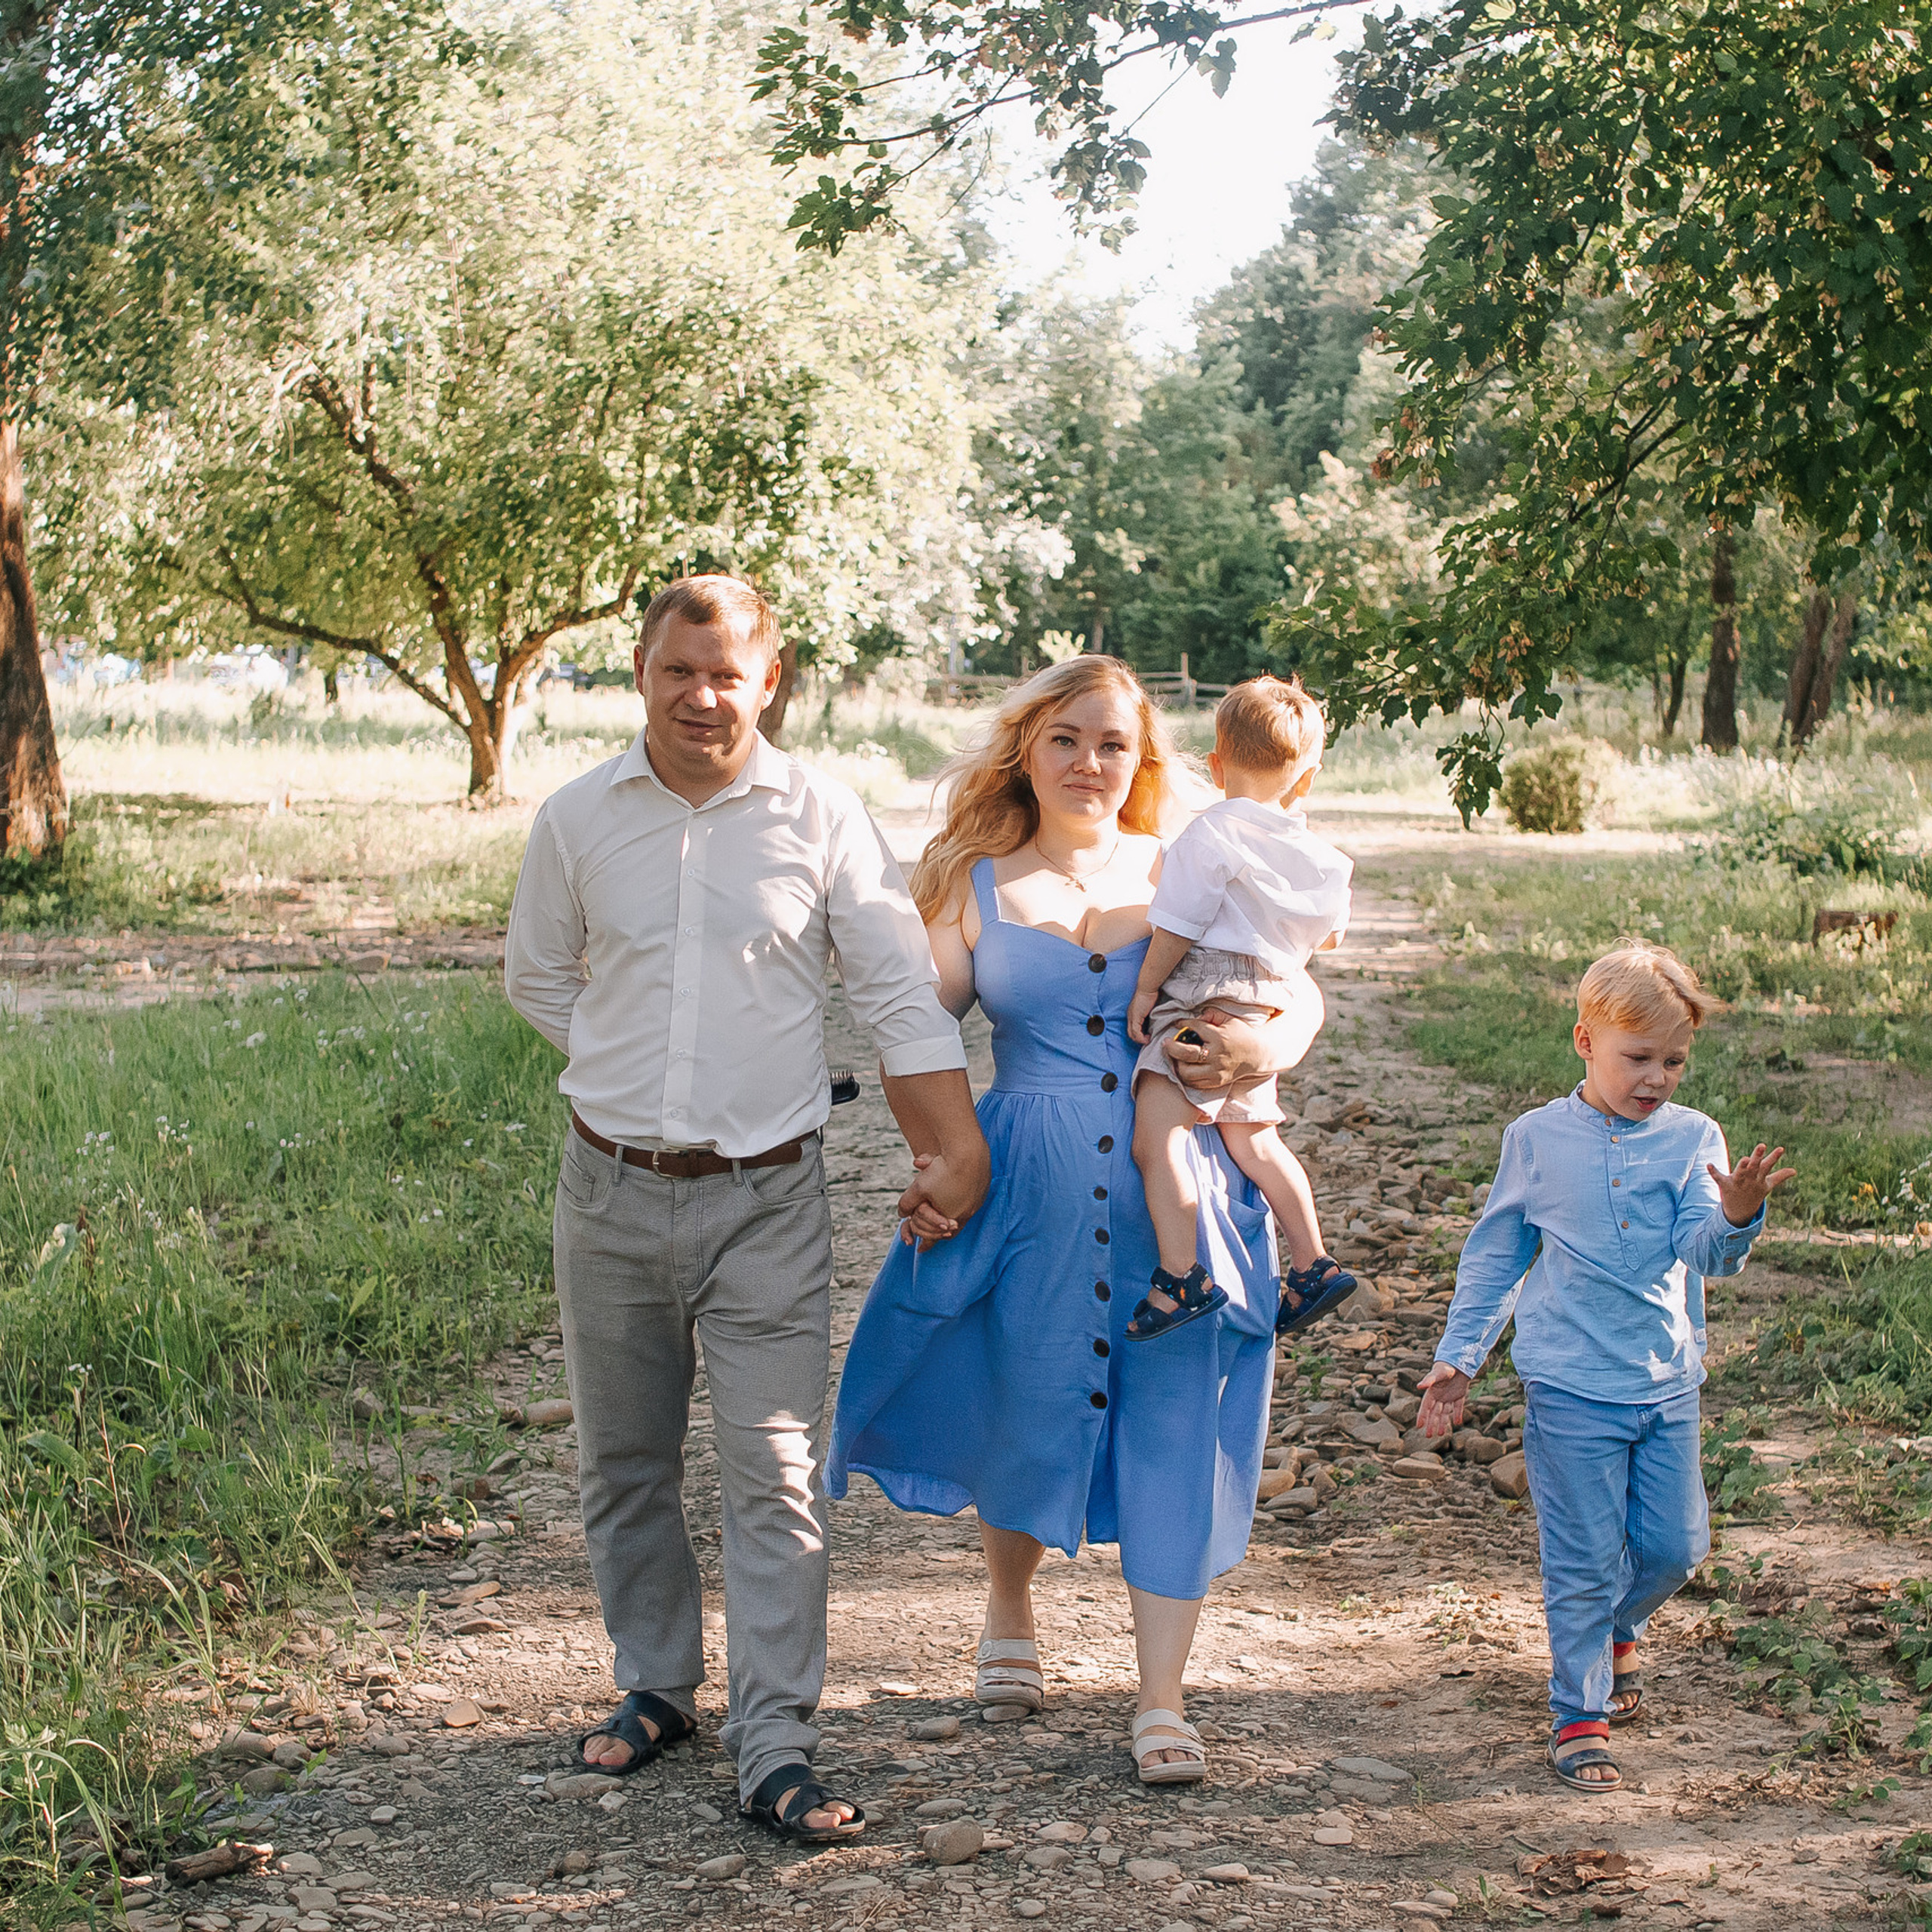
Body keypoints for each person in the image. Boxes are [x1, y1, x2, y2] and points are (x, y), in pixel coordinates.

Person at [503, 575, 990, 1844]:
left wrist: (956, 1147)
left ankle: (776, 1740)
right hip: (605, 1188)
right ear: (642, 673)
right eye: (680, 670)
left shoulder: (824, 817)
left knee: (774, 1469)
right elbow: (541, 977)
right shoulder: (575, 818)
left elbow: (894, 994)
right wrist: (633, 1079)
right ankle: (658, 1683)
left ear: (768, 682)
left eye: (729, 674)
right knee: (622, 1458)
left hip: (767, 1198)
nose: (703, 695)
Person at [826, 655, 1320, 1786]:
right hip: (1029, 1188)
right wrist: (938, 1150)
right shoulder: (978, 883)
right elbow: (912, 1017)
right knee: (1024, 1387)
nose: (1090, 763)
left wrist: (1265, 1047)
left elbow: (1299, 982)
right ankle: (1009, 1602)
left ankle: (1160, 1700)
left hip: (1182, 1189)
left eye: (1114, 743)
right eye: (1067, 739)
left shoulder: (1197, 860)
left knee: (1174, 1421)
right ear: (1027, 750)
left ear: (1144, 760)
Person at [1416, 942, 1794, 1794]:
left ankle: (1614, 1626)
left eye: (1673, 1060)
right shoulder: (1537, 1140)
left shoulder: (1693, 1137)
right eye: (1638, 1057)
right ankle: (1578, 1715)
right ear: (1584, 1040)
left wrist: (1737, 1212)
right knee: (1582, 1556)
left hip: (1665, 1382)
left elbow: (1706, 1253)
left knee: (1674, 1546)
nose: (1656, 1075)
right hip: (1568, 1386)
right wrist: (1459, 1359)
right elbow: (1494, 1258)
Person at [1124, 674, 1356, 1341]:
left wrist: (1146, 990)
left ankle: (1181, 1274)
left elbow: (1179, 920)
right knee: (1256, 1141)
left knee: (1157, 1136)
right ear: (1305, 780)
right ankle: (1312, 1261)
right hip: (1266, 1000)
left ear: (1218, 765)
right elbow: (1330, 935)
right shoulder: (1323, 858)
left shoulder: (1212, 832)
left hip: (1204, 992)